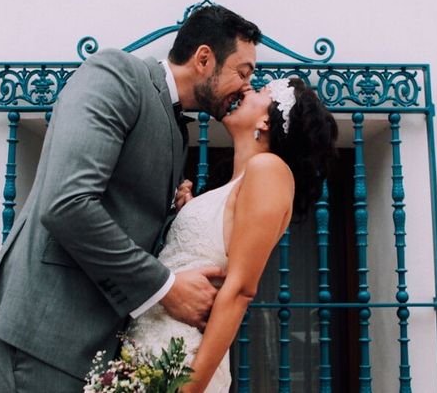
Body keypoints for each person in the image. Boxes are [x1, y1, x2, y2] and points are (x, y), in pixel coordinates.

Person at [0, 5, 262, 392]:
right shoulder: (116, 74)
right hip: (46, 332)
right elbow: (68, 203)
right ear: (204, 59)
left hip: (96, 342)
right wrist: (167, 287)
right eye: (242, 73)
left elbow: (124, 216)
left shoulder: (180, 132)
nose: (246, 87)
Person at [126, 77, 338, 392]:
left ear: (266, 120)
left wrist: (192, 387)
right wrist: (184, 210)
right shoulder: (232, 185)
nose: (247, 90)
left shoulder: (269, 170)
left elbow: (239, 290)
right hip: (145, 344)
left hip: (183, 360)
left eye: (261, 91)